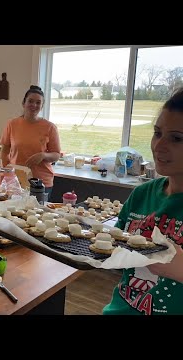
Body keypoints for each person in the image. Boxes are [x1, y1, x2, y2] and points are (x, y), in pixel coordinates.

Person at [103, 88, 183, 315]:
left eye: (176, 138)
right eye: (158, 133)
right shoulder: (142, 195)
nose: (159, 146)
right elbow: (115, 252)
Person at [0, 85, 61, 199]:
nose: (34, 105)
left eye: (38, 102)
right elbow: (4, 151)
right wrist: (5, 172)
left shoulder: (50, 127)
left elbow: (56, 155)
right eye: (31, 101)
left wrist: (43, 155)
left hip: (41, 183)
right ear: (24, 103)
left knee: (37, 215)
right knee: (13, 215)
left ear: (42, 106)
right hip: (16, 181)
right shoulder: (12, 124)